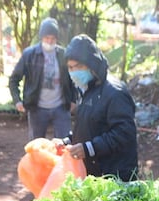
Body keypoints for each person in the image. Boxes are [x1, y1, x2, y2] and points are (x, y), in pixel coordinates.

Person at [55, 34, 138, 181]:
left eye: (79, 66)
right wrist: (67, 141)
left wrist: (88, 148)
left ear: (92, 64)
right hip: (95, 174)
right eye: (70, 67)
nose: (74, 72)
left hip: (115, 176)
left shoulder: (115, 92)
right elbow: (88, 127)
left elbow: (124, 133)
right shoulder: (88, 89)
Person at [9, 17, 76, 140]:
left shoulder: (64, 55)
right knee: (36, 147)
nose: (50, 41)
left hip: (60, 107)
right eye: (47, 38)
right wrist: (17, 100)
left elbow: (73, 78)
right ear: (41, 37)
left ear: (57, 39)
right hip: (37, 108)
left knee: (65, 145)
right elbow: (14, 79)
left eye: (53, 38)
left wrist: (73, 99)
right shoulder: (29, 55)